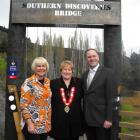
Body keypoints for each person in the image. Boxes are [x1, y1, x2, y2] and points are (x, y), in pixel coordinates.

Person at [81, 48, 116, 140]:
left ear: (98, 57)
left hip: (102, 120)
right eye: (89, 57)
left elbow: (111, 97)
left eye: (94, 56)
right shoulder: (84, 75)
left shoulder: (108, 73)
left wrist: (109, 119)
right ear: (86, 59)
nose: (91, 59)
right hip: (88, 120)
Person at [50, 60, 84, 140]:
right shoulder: (53, 83)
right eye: (64, 69)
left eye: (69, 70)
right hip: (58, 122)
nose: (67, 72)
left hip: (75, 122)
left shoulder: (79, 83)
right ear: (61, 71)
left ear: (72, 71)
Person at [20, 57, 52, 140]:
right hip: (33, 125)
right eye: (38, 66)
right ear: (34, 68)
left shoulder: (47, 82)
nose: (41, 68)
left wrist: (49, 123)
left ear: (46, 68)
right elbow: (23, 105)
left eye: (43, 66)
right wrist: (29, 123)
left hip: (45, 125)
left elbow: (48, 104)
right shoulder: (28, 82)